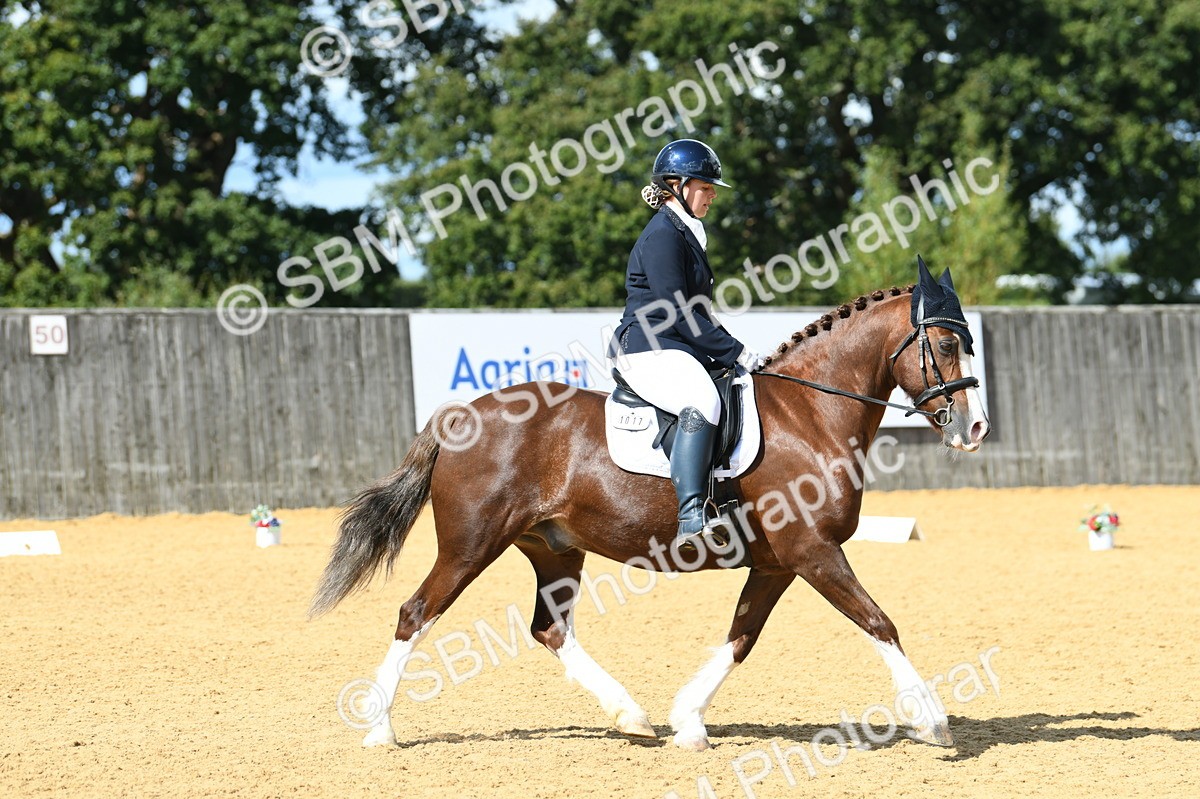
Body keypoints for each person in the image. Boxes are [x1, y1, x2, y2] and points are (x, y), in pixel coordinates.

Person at [608, 139, 764, 549]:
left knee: (731, 389)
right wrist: (735, 350)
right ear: (676, 184)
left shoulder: (686, 230)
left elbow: (697, 311)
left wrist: (728, 353)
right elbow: (678, 311)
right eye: (706, 186)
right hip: (647, 347)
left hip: (674, 345)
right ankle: (692, 515)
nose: (713, 194)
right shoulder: (663, 234)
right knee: (703, 400)